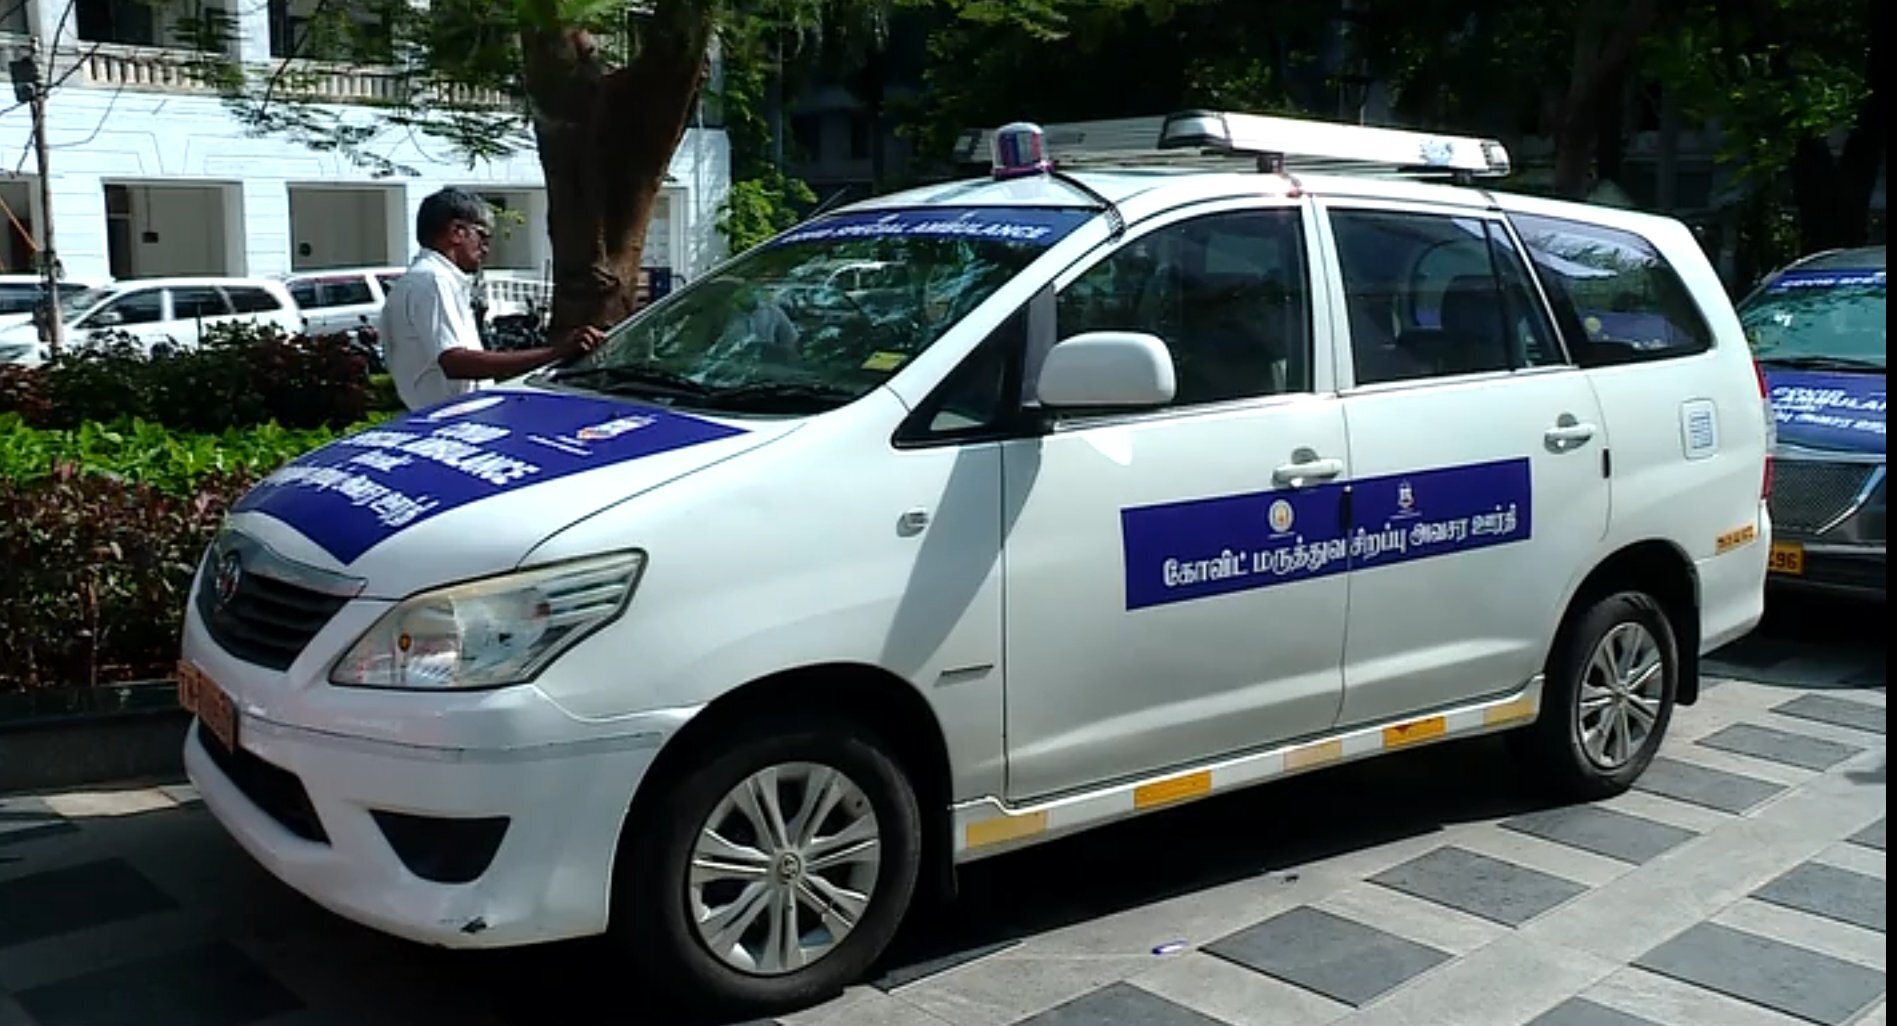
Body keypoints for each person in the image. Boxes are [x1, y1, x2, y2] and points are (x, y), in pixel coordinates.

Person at [380, 187, 605, 410]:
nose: (486, 249)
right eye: (482, 236)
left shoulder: (427, 278)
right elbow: (456, 362)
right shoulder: (433, 280)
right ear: (457, 232)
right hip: (454, 419)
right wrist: (556, 353)